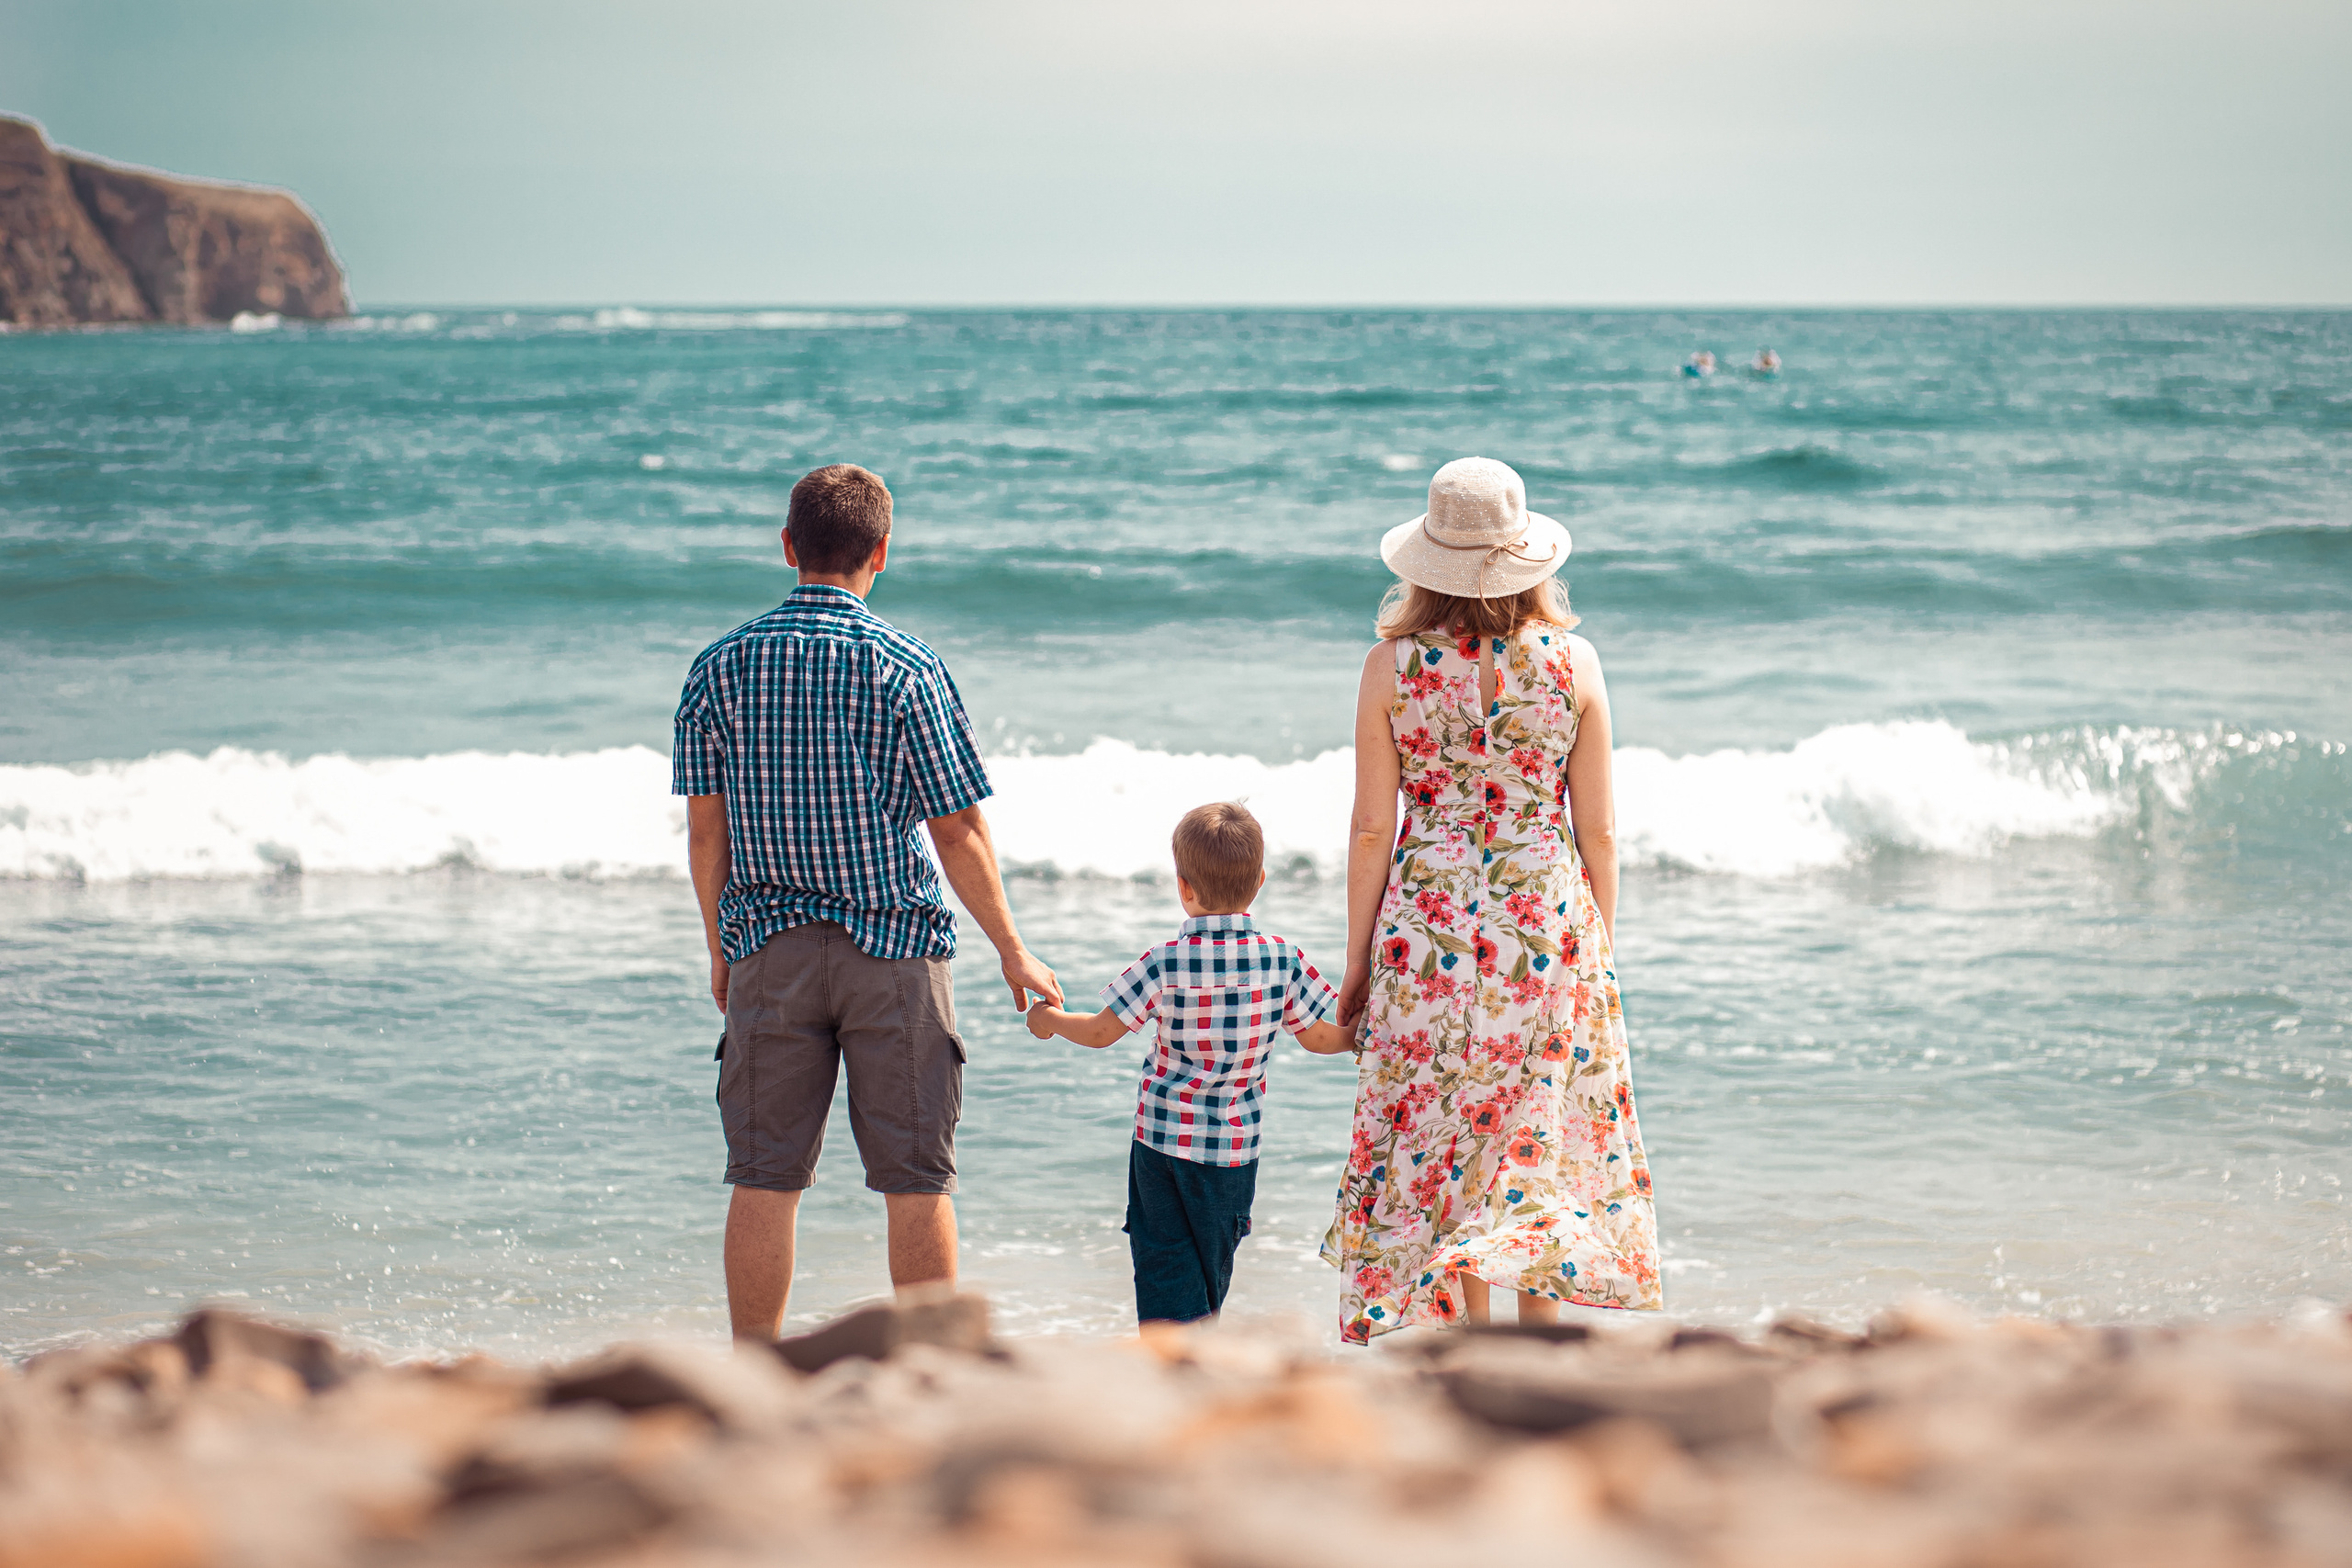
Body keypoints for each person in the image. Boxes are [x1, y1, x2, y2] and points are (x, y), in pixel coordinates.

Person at [673, 462, 1062, 1342]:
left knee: (765, 1176)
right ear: (881, 552)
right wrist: (1011, 946)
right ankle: (931, 1367)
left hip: (769, 944)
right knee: (916, 1179)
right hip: (894, 952)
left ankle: (753, 1369)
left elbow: (707, 834)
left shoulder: (719, 667)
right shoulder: (907, 666)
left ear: (787, 548)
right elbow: (956, 828)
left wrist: (719, 947)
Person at [1321, 457, 1661, 1344]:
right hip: (1543, 924)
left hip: (1425, 930)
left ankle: (1470, 1337)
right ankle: (1536, 1338)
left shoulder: (1390, 666)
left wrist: (1355, 965)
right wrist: (1599, 948)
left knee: (1443, 1124)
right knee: (1529, 1132)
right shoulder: (1573, 662)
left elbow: (1368, 829)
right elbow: (1602, 833)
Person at [1024, 803, 1356, 1324]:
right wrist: (1370, 1034)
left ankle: (1175, 1371)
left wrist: (1049, 1020)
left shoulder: (1164, 961)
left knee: (1163, 1264)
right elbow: (1319, 1038)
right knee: (1211, 1270)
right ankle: (1199, 1361)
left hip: (1161, 1143)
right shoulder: (1282, 958)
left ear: (1183, 887)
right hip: (1232, 1152)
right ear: (1261, 880)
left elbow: (1099, 1032)